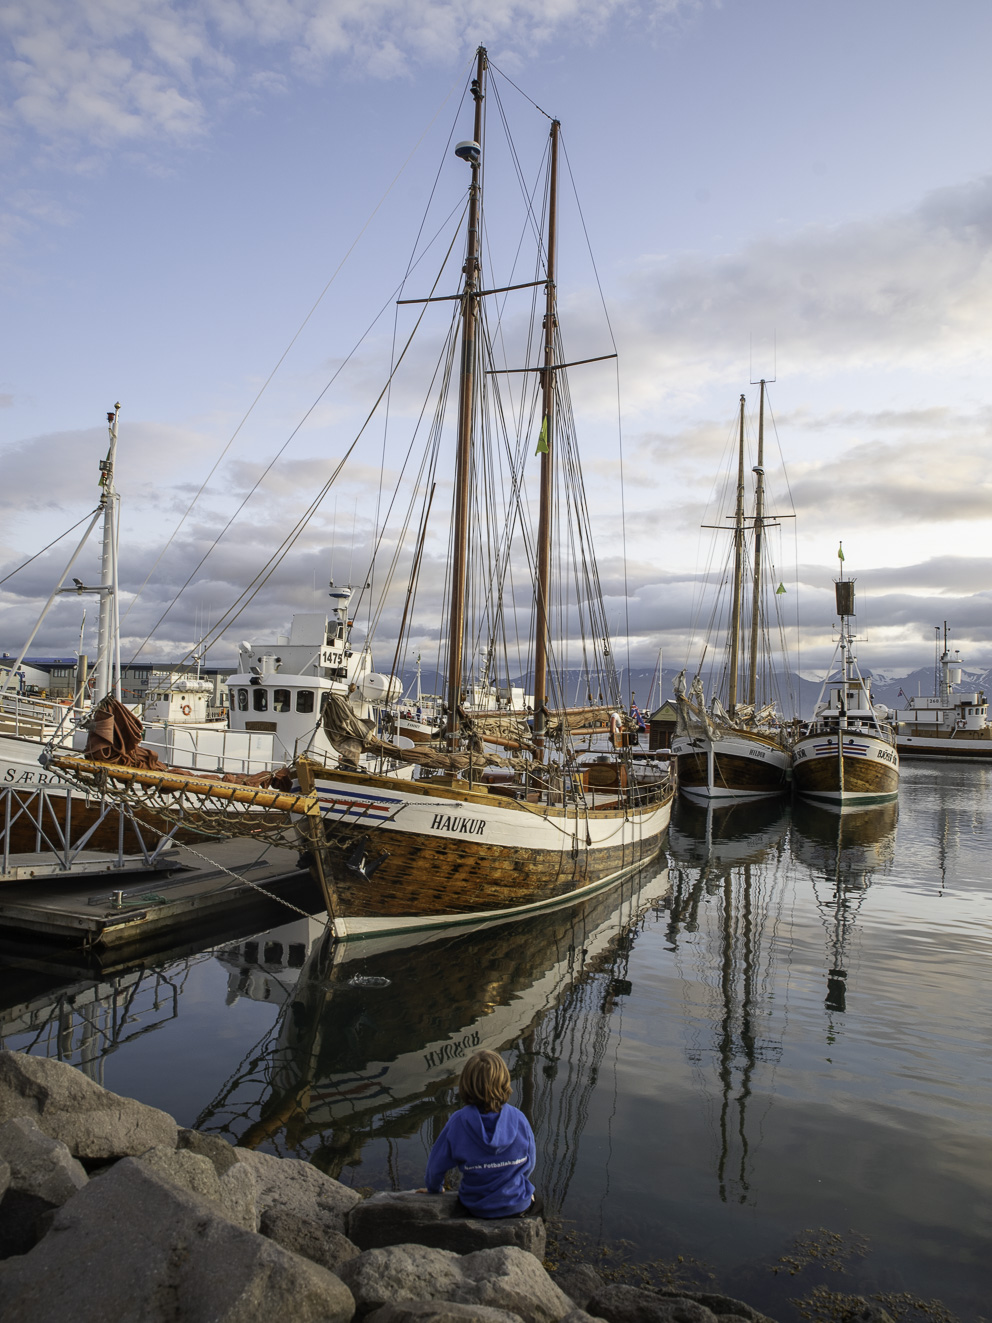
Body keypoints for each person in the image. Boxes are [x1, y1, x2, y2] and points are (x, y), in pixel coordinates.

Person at [422, 1049, 541, 1219]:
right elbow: (529, 1163)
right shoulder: (519, 1119)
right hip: (516, 1204)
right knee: (540, 1205)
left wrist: (434, 1189)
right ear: (504, 1081)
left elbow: (435, 1168)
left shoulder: (458, 1122)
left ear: (466, 1084)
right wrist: (517, 1187)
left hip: (475, 1206)